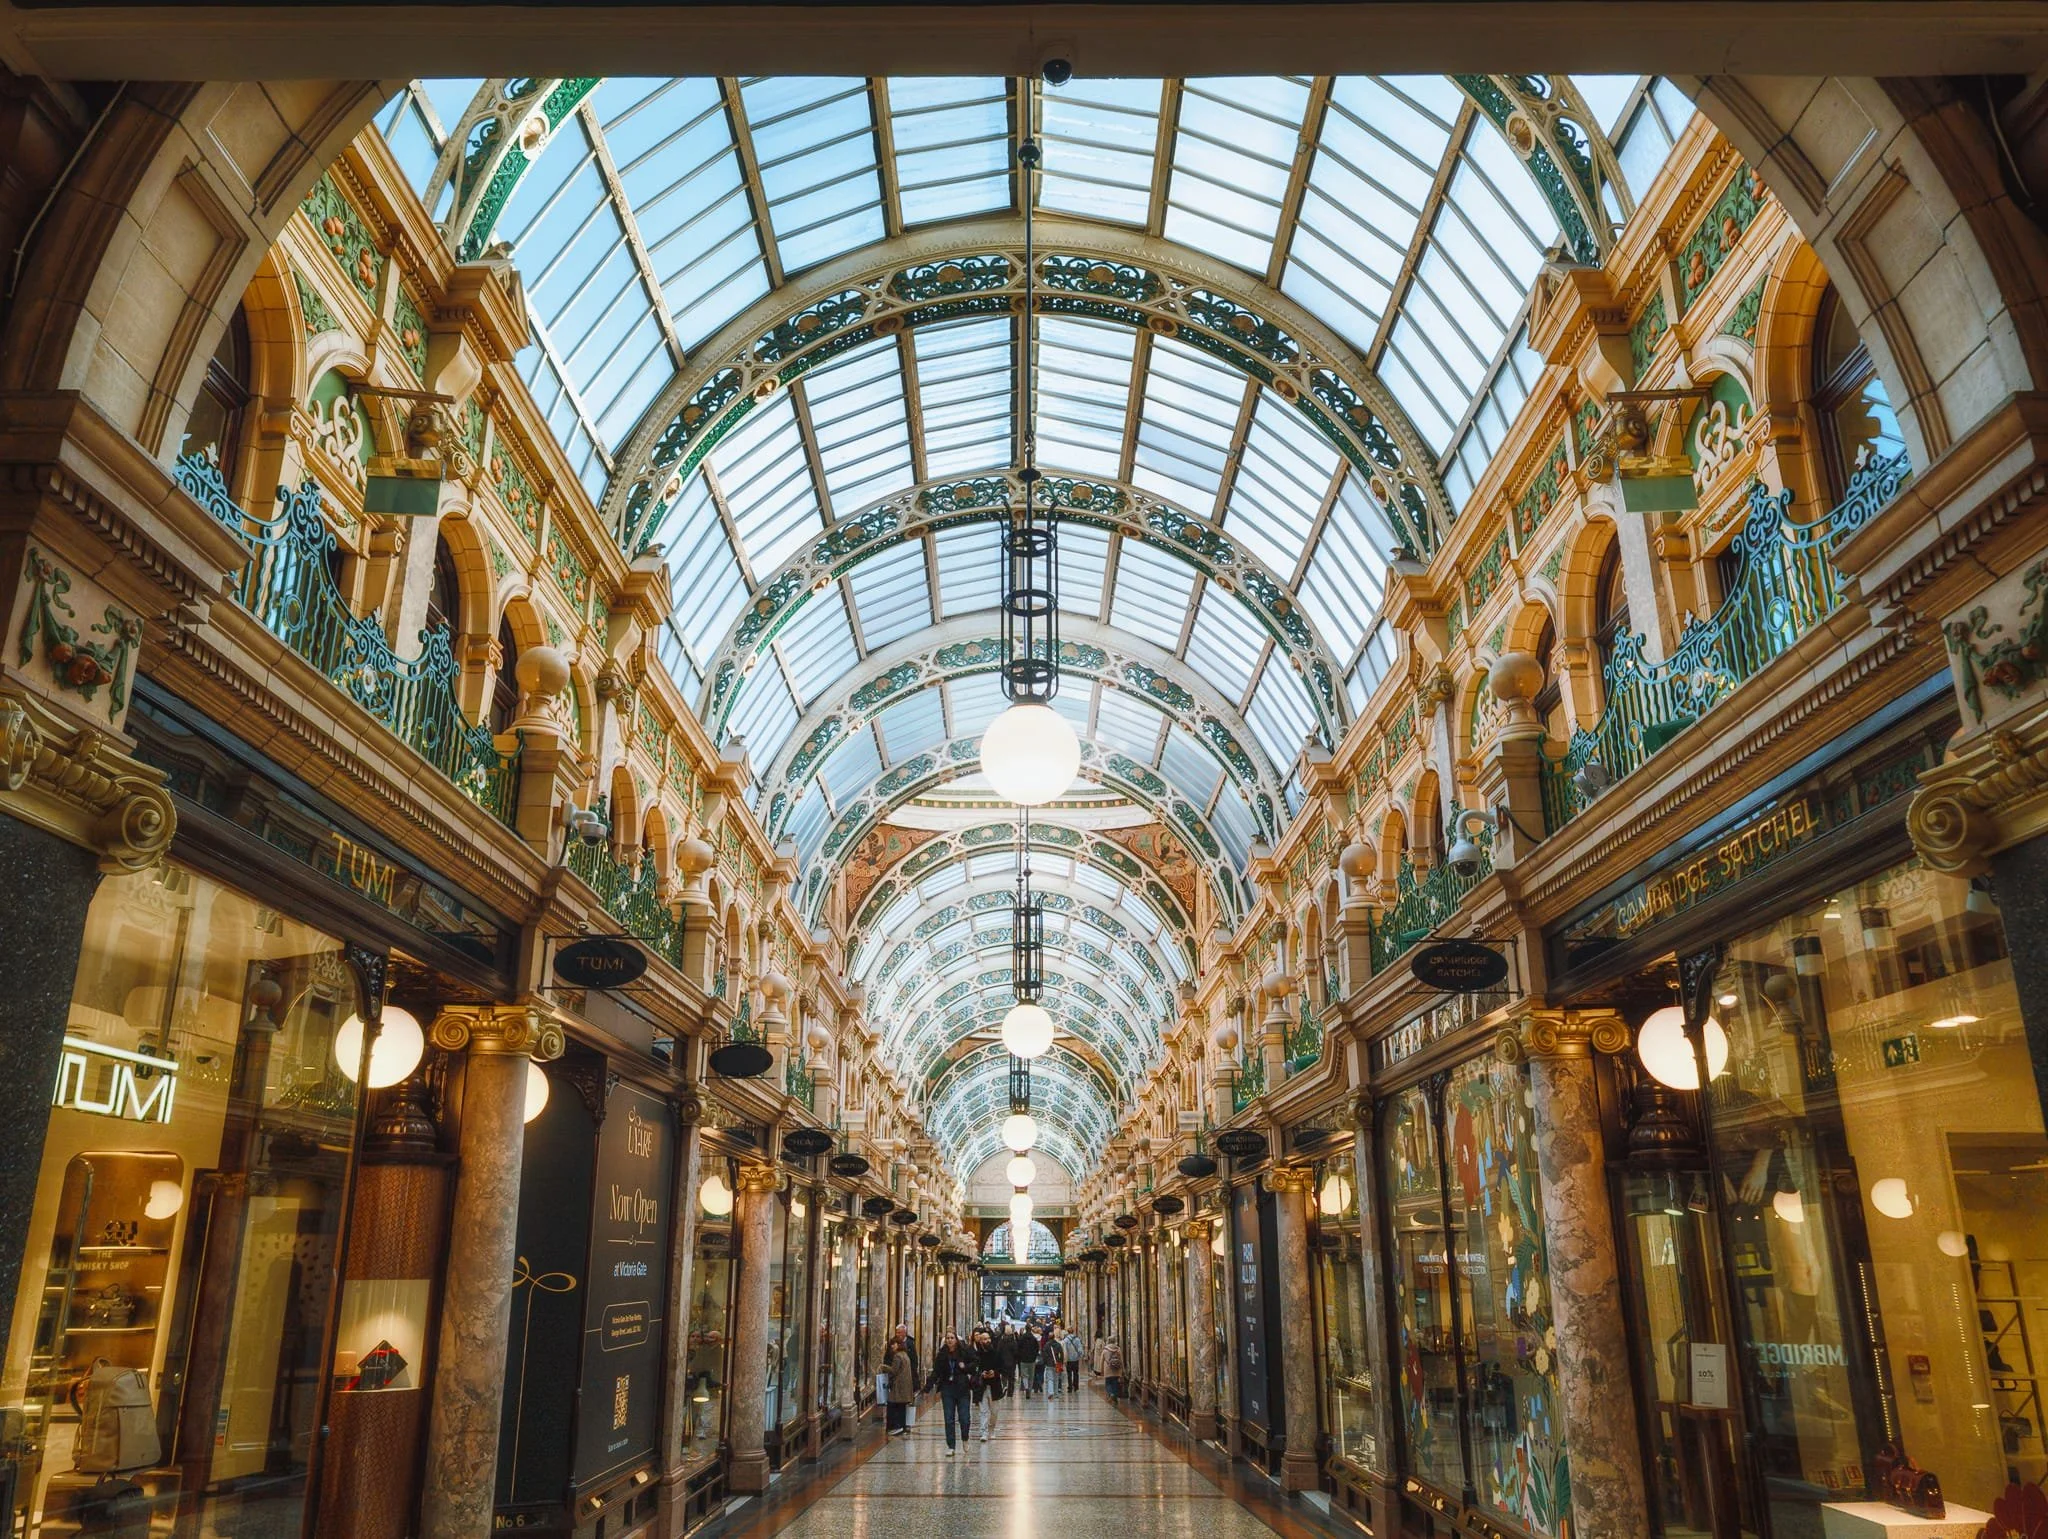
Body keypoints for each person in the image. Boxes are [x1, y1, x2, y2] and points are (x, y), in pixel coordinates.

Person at [927, 1329, 976, 1455]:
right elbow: (936, 1371)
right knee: (949, 1418)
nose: (949, 1340)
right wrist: (928, 1386)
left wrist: (965, 1367)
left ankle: (965, 1438)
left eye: (952, 1338)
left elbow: (975, 1364)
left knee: (964, 1418)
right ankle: (951, 1446)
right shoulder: (942, 1355)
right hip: (947, 1388)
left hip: (962, 1388)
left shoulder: (964, 1352)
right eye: (947, 1338)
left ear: (956, 1340)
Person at [971, 1325, 1004, 1441]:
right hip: (982, 1386)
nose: (987, 1341)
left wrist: (994, 1373)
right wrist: (981, 1374)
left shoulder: (996, 1353)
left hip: (995, 1386)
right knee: (983, 1411)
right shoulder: (976, 1355)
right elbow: (973, 1368)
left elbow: (1002, 1367)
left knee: (994, 1411)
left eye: (988, 1338)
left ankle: (992, 1429)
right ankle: (983, 1432)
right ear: (980, 1341)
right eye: (984, 1339)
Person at [884, 1334, 915, 1436]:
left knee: (894, 1406)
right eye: (891, 1344)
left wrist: (884, 1367)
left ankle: (896, 1427)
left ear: (898, 1344)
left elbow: (893, 1371)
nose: (892, 1346)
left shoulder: (897, 1356)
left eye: (893, 1344)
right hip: (905, 1386)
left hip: (899, 1386)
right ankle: (903, 1426)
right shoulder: (904, 1354)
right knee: (901, 1407)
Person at [1039, 1325, 1064, 1398]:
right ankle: (1056, 1393)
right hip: (1057, 1363)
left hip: (1049, 1364)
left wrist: (1046, 1362)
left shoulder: (1046, 1345)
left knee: (1050, 1379)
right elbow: (1061, 1354)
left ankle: (1050, 1392)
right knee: (1056, 1379)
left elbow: (1044, 1355)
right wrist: (1061, 1363)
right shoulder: (1058, 1345)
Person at [1062, 1323, 1084, 1393]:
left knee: (1069, 1374)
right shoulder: (1077, 1339)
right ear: (1073, 1331)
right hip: (1075, 1359)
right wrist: (1080, 1355)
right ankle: (1076, 1387)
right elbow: (1080, 1349)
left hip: (1068, 1359)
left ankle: (1070, 1387)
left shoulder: (1065, 1340)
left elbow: (1064, 1350)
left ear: (1067, 1331)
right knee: (1076, 1373)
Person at [1103, 1337, 1124, 1403]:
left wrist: (1101, 1371)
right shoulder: (1118, 1349)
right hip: (1116, 1370)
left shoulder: (1105, 1350)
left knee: (1108, 1383)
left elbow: (1101, 1360)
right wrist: (1122, 1369)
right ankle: (1114, 1396)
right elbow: (1121, 1360)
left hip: (1107, 1369)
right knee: (1115, 1383)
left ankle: (1111, 1394)